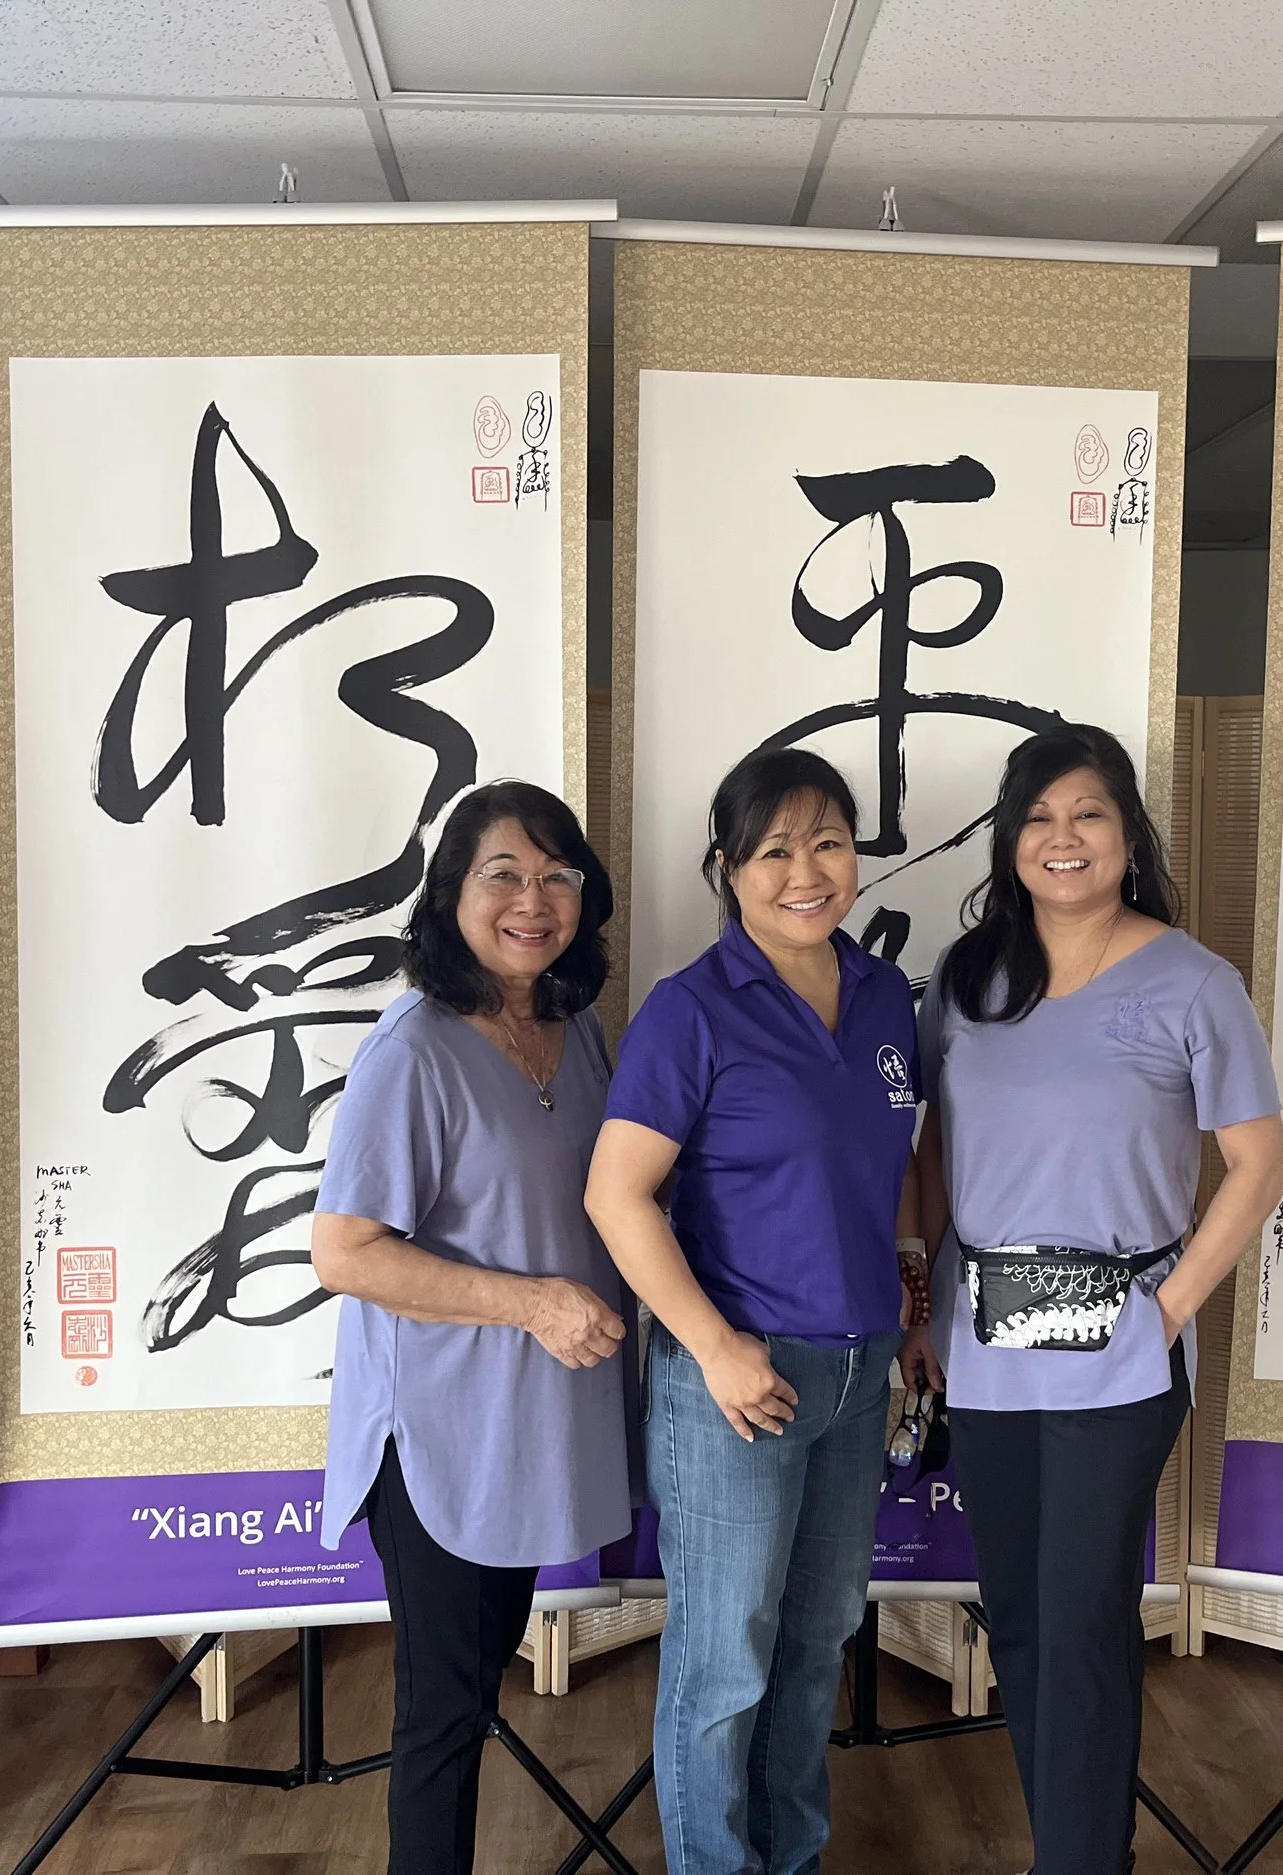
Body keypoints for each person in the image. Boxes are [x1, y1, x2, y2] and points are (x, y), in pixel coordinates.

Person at [899, 724, 1283, 1875]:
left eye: (1088, 815)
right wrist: (924, 1300)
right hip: (984, 1335)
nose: (1062, 838)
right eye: (1038, 817)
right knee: (1016, 1612)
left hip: (1119, 1342)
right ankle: (1067, 1845)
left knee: (1080, 1616)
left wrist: (1164, 1314)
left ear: (1128, 837)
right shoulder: (965, 982)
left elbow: (1255, 1166)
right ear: (1010, 841)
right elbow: (928, 1145)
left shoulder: (1192, 981)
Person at [585, 747, 920, 1875]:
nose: (805, 871)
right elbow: (615, 1196)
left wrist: (910, 1288)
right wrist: (715, 1347)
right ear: (727, 869)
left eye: (828, 841)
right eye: (773, 849)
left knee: (814, 1644)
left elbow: (892, 1163)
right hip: (737, 1376)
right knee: (725, 1659)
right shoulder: (692, 1010)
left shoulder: (883, 997)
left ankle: (790, 1858)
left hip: (860, 1363)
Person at [311, 780, 632, 1875]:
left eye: (556, 878)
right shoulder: (413, 1050)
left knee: (477, 1683)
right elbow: (344, 1252)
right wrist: (532, 1302)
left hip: (528, 1423)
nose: (531, 901)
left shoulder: (572, 1026)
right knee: (443, 1712)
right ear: (451, 893)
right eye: (502, 874)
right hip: (439, 1432)